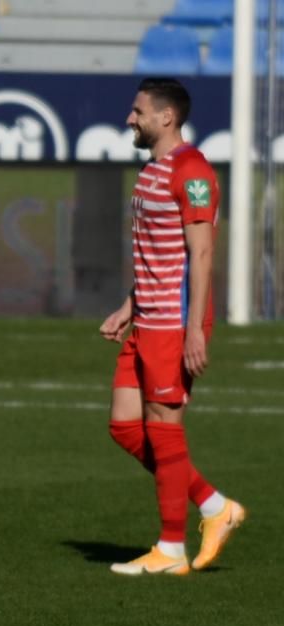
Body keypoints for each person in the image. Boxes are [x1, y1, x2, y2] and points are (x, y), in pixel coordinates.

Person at [101, 78, 245, 576]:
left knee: (164, 428)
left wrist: (195, 329)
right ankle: (213, 505)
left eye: (137, 111)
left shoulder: (192, 170)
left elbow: (200, 253)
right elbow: (156, 257)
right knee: (124, 426)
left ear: (166, 117)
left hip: (172, 323)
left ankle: (171, 549)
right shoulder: (152, 171)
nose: (130, 119)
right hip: (147, 317)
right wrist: (128, 305)